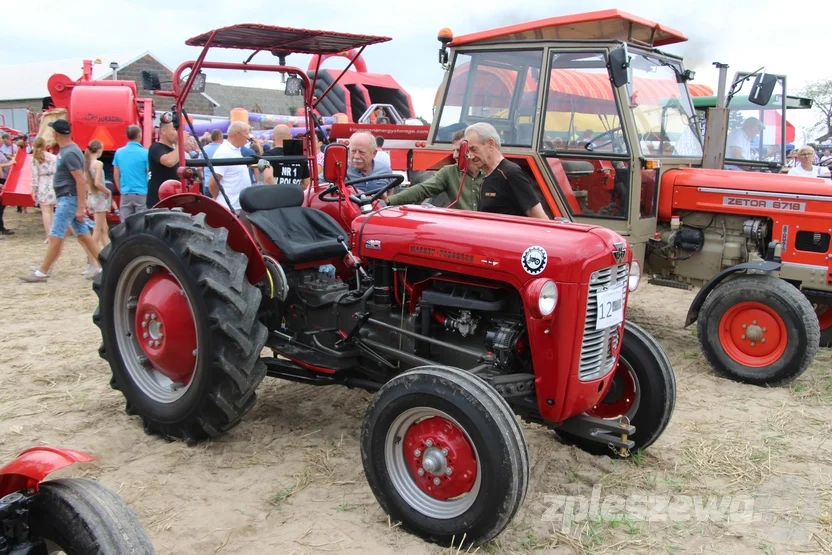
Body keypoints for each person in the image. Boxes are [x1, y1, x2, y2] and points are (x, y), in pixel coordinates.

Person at [21, 119, 100, 283]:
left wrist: (80, 207)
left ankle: (42, 272)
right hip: (68, 197)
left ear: (56, 134)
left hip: (68, 198)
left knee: (56, 235)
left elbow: (80, 180)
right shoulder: (69, 150)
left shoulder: (69, 152)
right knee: (83, 235)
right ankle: (103, 266)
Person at [464, 122, 549, 219]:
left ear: (490, 144)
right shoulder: (486, 177)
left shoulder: (511, 173)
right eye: (468, 151)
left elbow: (540, 218)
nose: (470, 156)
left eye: (474, 149)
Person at [386, 129, 484, 210]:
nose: (454, 155)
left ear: (472, 149)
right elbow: (422, 190)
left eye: (459, 150)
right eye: (453, 150)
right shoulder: (449, 172)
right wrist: (390, 200)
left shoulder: (492, 172)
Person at [208, 120, 256, 214]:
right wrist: (219, 198)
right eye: (247, 134)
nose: (248, 137)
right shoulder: (224, 152)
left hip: (237, 206)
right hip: (230, 208)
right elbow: (213, 182)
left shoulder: (235, 150)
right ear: (238, 134)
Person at [113, 125, 149, 221]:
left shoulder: (119, 152)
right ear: (139, 135)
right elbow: (149, 172)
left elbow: (116, 174)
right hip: (142, 193)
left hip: (125, 193)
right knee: (141, 224)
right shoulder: (145, 153)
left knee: (125, 225)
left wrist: (121, 190)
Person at [84, 140, 111, 263]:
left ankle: (109, 253)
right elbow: (97, 183)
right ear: (99, 150)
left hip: (91, 197)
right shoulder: (98, 164)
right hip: (99, 198)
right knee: (98, 229)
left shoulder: (87, 164)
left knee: (103, 228)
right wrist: (108, 191)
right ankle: (92, 256)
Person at [262, 124, 311, 189]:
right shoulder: (299, 156)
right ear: (290, 137)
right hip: (295, 196)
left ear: (273, 137)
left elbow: (268, 177)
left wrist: (278, 191)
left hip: (275, 197)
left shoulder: (267, 155)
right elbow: (306, 183)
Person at [147, 120, 180, 209]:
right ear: (163, 131)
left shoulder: (174, 151)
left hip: (172, 199)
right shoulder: (156, 147)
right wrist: (180, 144)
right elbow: (169, 162)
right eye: (174, 129)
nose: (177, 133)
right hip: (158, 201)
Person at [30, 137, 58, 242]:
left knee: (45, 212)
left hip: (42, 184)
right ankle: (55, 234)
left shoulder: (34, 159)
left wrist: (33, 190)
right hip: (53, 183)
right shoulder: (53, 157)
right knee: (52, 211)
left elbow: (34, 177)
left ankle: (49, 235)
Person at [201, 129, 224, 194]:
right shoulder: (224, 149)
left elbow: (199, 167)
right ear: (220, 137)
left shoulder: (204, 148)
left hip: (207, 183)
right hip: (220, 184)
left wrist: (201, 178)